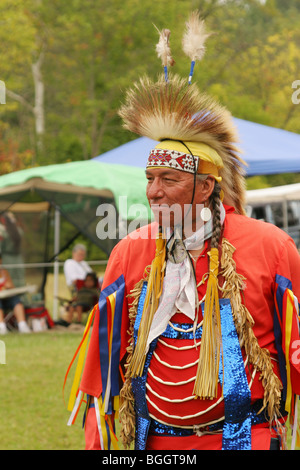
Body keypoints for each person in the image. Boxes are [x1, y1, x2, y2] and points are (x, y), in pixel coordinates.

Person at [66, 13, 300, 451]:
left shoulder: (269, 246)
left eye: (168, 180)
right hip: (154, 446)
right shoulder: (130, 252)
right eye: (149, 178)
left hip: (247, 438)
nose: (154, 191)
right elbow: (103, 363)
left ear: (206, 185)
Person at [0, 254, 31, 334]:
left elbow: (11, 286)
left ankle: (22, 325)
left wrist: (8, 286)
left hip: (6, 297)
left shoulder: (4, 272)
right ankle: (1, 326)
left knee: (16, 301)